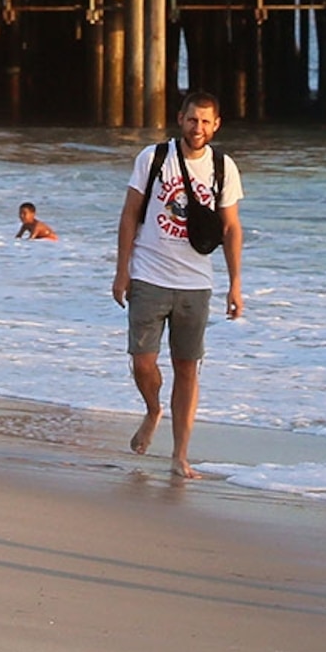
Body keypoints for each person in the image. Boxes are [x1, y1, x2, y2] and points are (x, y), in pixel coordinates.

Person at [111, 91, 244, 480]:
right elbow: (130, 215)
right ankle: (153, 408)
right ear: (179, 118)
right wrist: (122, 271)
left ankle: (179, 455)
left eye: (205, 121)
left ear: (216, 125)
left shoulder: (223, 167)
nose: (197, 128)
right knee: (143, 362)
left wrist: (236, 284)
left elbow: (232, 227)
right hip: (149, 275)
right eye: (191, 120)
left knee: (188, 369)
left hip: (195, 283)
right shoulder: (153, 158)